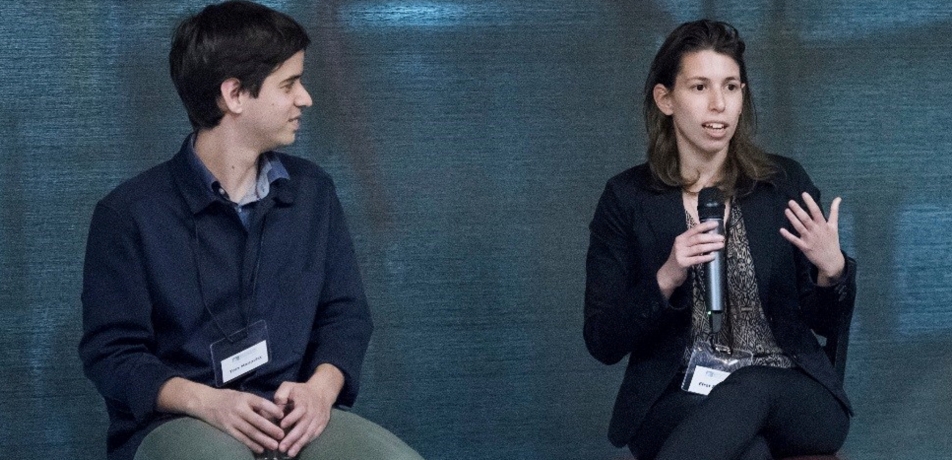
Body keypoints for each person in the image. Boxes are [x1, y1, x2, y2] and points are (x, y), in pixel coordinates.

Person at [78, 2, 423, 459]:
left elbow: (346, 316)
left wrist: (319, 391)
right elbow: (113, 354)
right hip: (183, 421)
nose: (306, 98)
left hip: (292, 419)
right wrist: (208, 403)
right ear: (235, 94)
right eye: (289, 83)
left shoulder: (313, 193)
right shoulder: (128, 214)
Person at [583, 20, 855, 460]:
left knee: (750, 384)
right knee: (748, 452)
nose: (718, 105)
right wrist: (666, 277)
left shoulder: (782, 183)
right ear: (665, 98)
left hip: (790, 393)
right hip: (679, 396)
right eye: (699, 87)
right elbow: (603, 340)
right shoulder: (627, 199)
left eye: (731, 87)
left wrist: (832, 270)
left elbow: (825, 323)